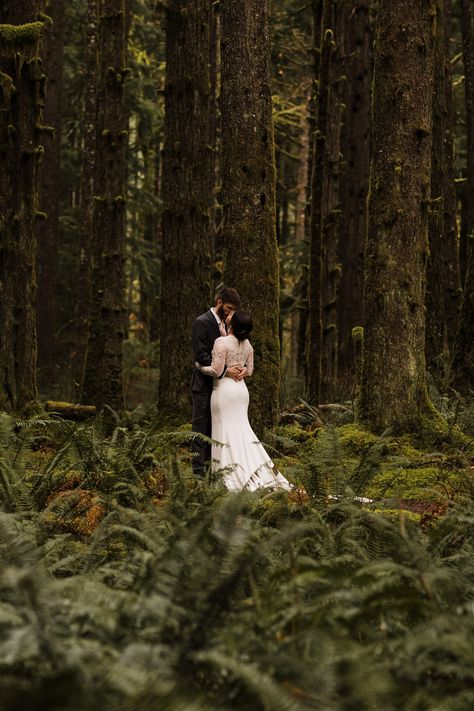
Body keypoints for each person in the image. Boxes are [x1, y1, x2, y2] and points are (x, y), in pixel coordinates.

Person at [195, 311, 291, 492]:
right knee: (242, 430)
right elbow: (250, 370)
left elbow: (216, 371)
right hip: (240, 391)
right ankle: (251, 470)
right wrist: (242, 371)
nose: (229, 315)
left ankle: (224, 476)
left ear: (232, 325)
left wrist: (199, 366)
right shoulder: (247, 345)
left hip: (223, 391)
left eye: (232, 315)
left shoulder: (221, 343)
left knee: (224, 433)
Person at [191, 287, 244, 477]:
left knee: (217, 431)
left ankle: (215, 471)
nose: (231, 312)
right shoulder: (201, 322)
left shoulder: (230, 325)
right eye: (229, 307)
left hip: (221, 390)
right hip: (203, 386)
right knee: (200, 429)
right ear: (219, 302)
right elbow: (201, 356)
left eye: (234, 310)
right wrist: (225, 372)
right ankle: (199, 474)